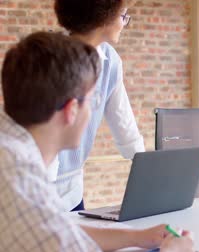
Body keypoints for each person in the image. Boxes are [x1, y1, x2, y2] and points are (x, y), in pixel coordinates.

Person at [0, 31, 193, 252]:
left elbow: (58, 232)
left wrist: (136, 236)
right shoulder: (21, 179)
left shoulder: (14, 152)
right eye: (91, 101)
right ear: (72, 110)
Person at [51, 0, 145, 211]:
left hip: (72, 191)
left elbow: (124, 124)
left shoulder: (111, 61)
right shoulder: (51, 58)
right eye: (123, 15)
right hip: (40, 189)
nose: (124, 23)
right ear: (104, 15)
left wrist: (148, 167)